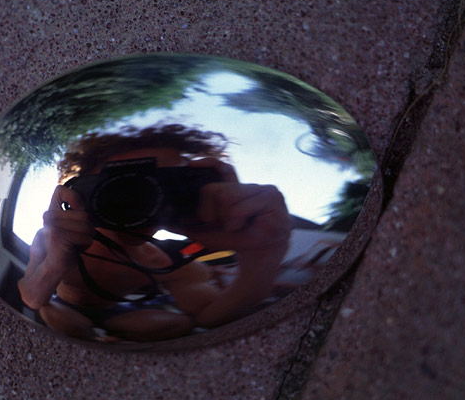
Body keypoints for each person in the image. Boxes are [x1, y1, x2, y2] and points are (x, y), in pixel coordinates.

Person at [17, 124, 292, 341]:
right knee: (57, 316)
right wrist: (54, 264)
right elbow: (32, 296)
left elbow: (208, 316)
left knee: (179, 324)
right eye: (122, 187)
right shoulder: (55, 241)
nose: (137, 202)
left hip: (121, 315)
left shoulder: (160, 261)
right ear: (84, 193)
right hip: (66, 308)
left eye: (158, 186)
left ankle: (106, 335)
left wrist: (263, 259)